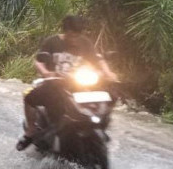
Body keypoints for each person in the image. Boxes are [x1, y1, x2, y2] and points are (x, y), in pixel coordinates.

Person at [16, 15, 117, 151]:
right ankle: (31, 131)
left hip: (78, 85)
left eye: (78, 35)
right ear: (66, 31)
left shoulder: (85, 43)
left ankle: (98, 128)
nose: (75, 39)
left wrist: (108, 73)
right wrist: (46, 72)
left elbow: (97, 59)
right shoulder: (52, 42)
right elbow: (39, 61)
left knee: (109, 96)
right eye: (72, 35)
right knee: (29, 97)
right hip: (54, 84)